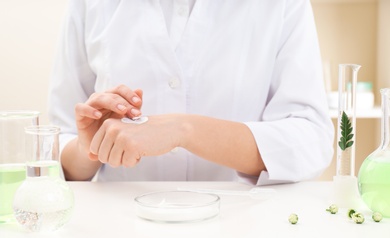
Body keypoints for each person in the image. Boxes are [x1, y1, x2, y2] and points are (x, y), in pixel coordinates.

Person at [48, 0, 334, 185]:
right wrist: (91, 148)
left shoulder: (282, 5)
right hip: (119, 232)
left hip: (243, 231)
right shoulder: (88, 5)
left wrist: (183, 130)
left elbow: (310, 140)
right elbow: (60, 143)